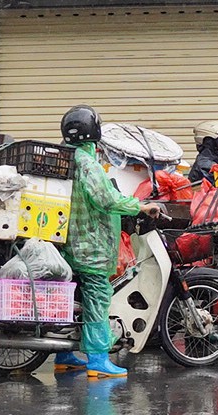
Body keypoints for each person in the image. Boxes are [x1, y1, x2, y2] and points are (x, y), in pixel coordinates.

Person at [60, 105, 158, 379]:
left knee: (74, 297)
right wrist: (139, 206)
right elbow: (106, 199)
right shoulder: (87, 162)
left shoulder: (68, 157)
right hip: (90, 245)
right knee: (96, 299)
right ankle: (98, 359)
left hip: (72, 242)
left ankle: (64, 354)